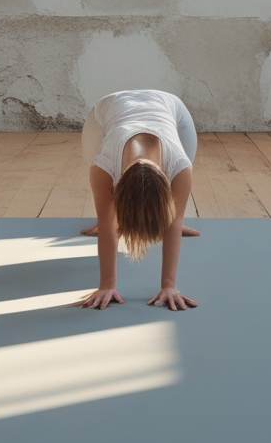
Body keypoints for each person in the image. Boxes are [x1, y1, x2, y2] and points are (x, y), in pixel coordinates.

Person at [78, 90, 200, 312]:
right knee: (108, 219)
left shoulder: (180, 167)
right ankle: (114, 215)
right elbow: (108, 227)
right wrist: (107, 285)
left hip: (169, 105)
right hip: (110, 107)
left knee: (173, 217)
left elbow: (174, 222)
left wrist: (169, 286)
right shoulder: (103, 166)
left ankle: (160, 214)